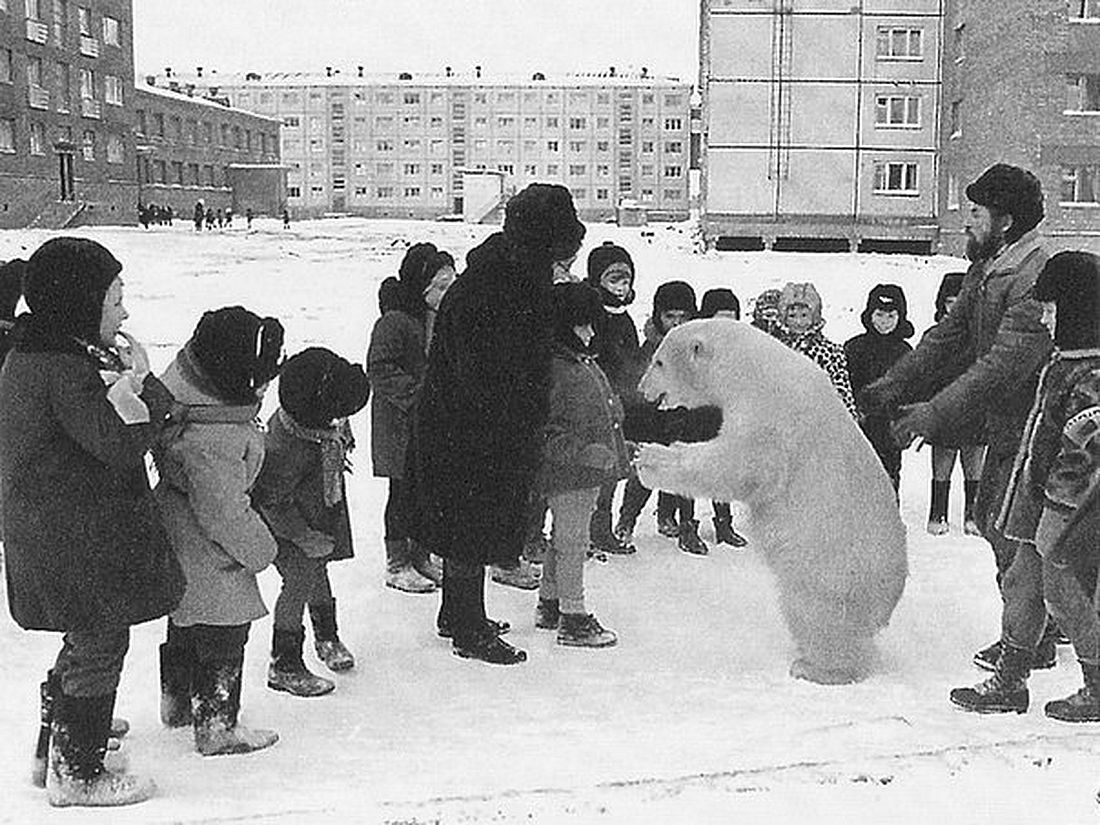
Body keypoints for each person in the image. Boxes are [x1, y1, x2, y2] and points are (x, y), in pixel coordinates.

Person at [0, 237, 184, 807]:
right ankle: (78, 772)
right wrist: (145, 384)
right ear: (81, 305)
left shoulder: (43, 354)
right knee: (101, 641)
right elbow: (120, 441)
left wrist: (126, 384)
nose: (124, 312)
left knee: (84, 639)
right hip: (75, 537)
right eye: (115, 301)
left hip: (59, 529)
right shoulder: (62, 370)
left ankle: (52, 750)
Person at [859, 163, 1053, 672]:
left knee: (1012, 529)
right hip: (1007, 421)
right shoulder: (989, 267)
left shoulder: (1033, 274)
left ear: (1004, 221)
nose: (968, 222)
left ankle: (1030, 641)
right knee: (1001, 524)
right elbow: (948, 338)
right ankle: (1039, 628)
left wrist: (933, 413)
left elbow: (1003, 363)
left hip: (1037, 425)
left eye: (976, 213)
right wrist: (895, 384)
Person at [407, 183, 586, 665]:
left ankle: (456, 614)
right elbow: (488, 369)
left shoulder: (510, 275)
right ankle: (468, 629)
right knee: (470, 523)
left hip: (477, 422)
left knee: (471, 521)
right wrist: (510, 422)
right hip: (470, 428)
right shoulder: (497, 287)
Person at [950, 250, 1100, 719]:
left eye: (1053, 307)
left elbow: (1085, 451)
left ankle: (1097, 685)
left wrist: (1058, 511)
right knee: (1021, 581)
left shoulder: (1093, 374)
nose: (1045, 316)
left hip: (1072, 505)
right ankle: (1011, 680)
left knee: (1065, 590)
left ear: (1077, 310)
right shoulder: (1063, 361)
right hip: (1041, 496)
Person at [153, 306, 284, 756]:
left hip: (181, 536)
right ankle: (217, 726)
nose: (267, 387)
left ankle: (177, 703)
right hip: (210, 551)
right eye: (262, 377)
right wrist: (262, 549)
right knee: (226, 631)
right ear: (235, 375)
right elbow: (224, 512)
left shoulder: (196, 406)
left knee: (187, 621)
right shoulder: (214, 437)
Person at [252, 348, 370, 697]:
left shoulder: (315, 425)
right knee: (300, 581)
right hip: (288, 526)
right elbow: (271, 500)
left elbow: (335, 424)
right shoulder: (287, 446)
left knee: (318, 572)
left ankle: (327, 637)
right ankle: (284, 663)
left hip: (317, 512)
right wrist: (302, 536)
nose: (341, 418)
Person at [533, 282, 630, 647]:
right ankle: (574, 616)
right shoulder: (556, 370)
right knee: (573, 542)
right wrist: (585, 452)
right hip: (568, 473)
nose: (591, 333)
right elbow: (547, 431)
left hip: (586, 472)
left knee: (564, 539)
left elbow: (603, 413)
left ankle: (550, 601)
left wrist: (618, 445)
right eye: (582, 326)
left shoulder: (581, 363)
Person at [367, 243, 455, 594]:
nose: (449, 292)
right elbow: (379, 367)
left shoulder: (436, 319)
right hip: (400, 423)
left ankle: (421, 556)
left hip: (431, 423)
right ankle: (397, 561)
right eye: (442, 285)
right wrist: (419, 398)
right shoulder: (396, 321)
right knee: (402, 492)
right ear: (422, 287)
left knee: (426, 491)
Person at [616, 280, 709, 555]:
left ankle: (680, 521)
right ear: (659, 316)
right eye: (670, 317)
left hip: (687, 420)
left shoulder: (699, 347)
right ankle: (627, 519)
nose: (677, 323)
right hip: (655, 421)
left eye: (684, 317)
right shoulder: (652, 348)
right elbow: (638, 384)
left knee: (685, 470)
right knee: (648, 472)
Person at [584, 241, 641, 556]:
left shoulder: (625, 318)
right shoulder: (592, 315)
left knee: (613, 470)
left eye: (626, 279)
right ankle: (586, 529)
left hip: (619, 405)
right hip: (595, 404)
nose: (621, 287)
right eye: (613, 279)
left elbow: (630, 360)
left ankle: (601, 528)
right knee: (593, 470)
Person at [921, 272, 987, 536]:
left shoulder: (983, 334)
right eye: (950, 302)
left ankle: (973, 514)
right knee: (942, 461)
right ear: (942, 303)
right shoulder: (935, 334)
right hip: (944, 407)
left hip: (974, 407)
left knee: (974, 461)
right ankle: (938, 512)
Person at [844, 284, 915, 492]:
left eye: (891, 316)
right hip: (860, 426)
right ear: (870, 314)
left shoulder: (905, 351)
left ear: (900, 317)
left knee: (888, 477)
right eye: (879, 315)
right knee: (858, 476)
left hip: (889, 428)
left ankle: (888, 519)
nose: (884, 322)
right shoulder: (854, 348)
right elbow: (844, 385)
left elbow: (911, 390)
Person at [697, 288, 749, 547]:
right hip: (694, 416)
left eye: (732, 318)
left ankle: (723, 522)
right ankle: (684, 523)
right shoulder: (695, 346)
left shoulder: (739, 349)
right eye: (720, 318)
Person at [776, 282, 858, 419]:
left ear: (814, 316)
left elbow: (843, 396)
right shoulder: (775, 349)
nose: (798, 322)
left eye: (804, 315)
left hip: (819, 425)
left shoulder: (831, 353)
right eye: (792, 316)